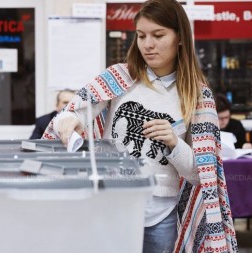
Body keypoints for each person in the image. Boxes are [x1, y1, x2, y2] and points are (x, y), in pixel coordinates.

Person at [42, 0, 238, 252]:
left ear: (180, 37)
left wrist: (174, 143)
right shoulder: (118, 78)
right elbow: (73, 113)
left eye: (158, 35)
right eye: (141, 35)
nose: (148, 44)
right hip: (113, 203)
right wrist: (67, 121)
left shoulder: (197, 96)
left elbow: (200, 174)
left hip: (162, 215)